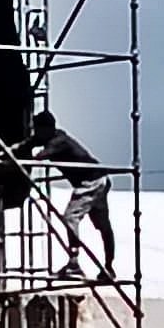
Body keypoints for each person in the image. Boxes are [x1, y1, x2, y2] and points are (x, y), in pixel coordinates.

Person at [26, 108, 115, 278]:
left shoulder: (59, 141)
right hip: (99, 179)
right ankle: (108, 268)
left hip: (90, 182)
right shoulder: (53, 137)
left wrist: (20, 158)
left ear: (46, 129)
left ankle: (74, 264)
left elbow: (39, 156)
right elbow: (29, 143)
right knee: (103, 225)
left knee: (70, 217)